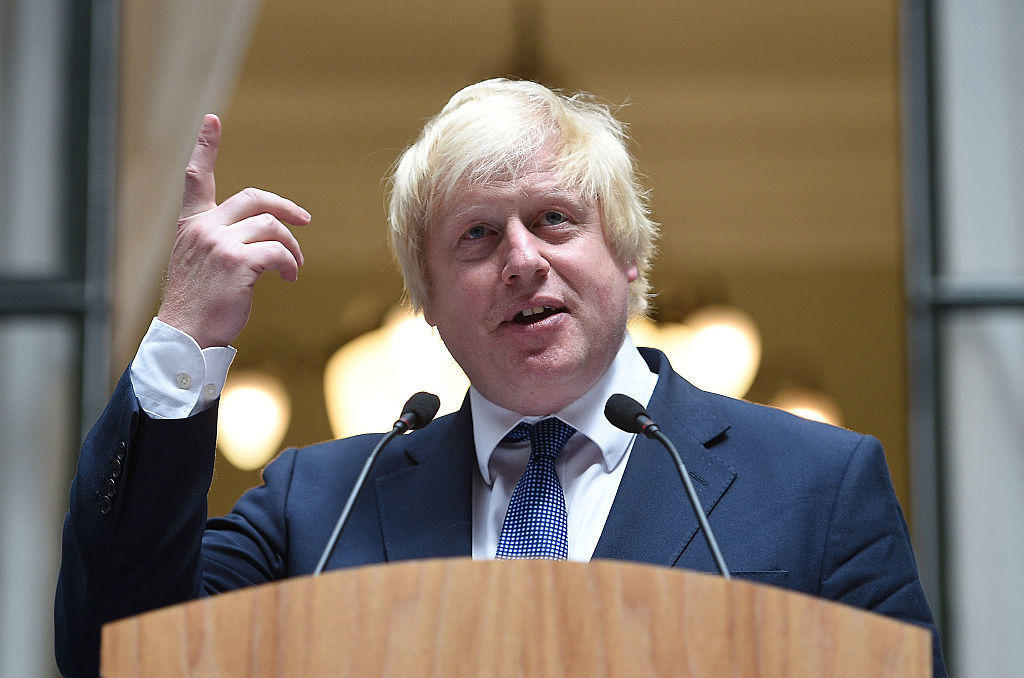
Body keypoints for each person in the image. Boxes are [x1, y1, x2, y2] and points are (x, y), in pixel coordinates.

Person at [56, 79, 946, 677]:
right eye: (476, 237)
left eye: (555, 219)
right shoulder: (319, 507)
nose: (521, 260)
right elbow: (117, 651)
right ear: (431, 305)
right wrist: (184, 336)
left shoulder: (819, 488)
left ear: (629, 258)